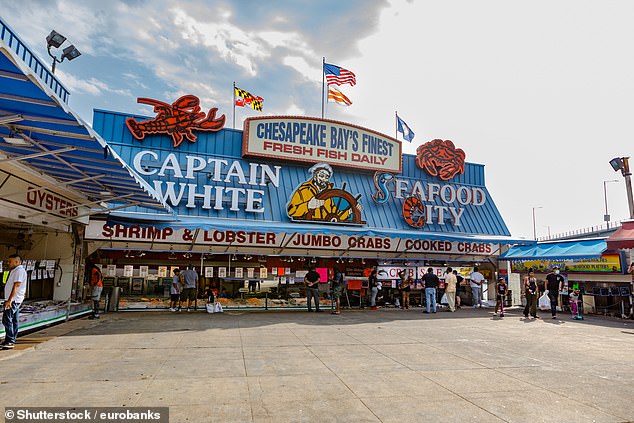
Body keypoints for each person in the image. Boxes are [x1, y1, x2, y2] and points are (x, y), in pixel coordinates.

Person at [287, 162, 362, 222]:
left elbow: (335, 215)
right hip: (308, 229)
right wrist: (308, 205)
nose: (324, 179)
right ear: (315, 175)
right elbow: (291, 211)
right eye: (321, 176)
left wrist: (350, 211)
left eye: (326, 177)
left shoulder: (329, 194)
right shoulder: (304, 190)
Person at [2, 254, 27, 350]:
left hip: (14, 300)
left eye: (10, 261)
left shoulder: (19, 271)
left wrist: (9, 300)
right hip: (15, 299)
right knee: (14, 320)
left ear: (17, 262)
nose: (8, 263)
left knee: (6, 319)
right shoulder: (15, 270)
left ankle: (10, 340)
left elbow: (16, 285)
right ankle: (10, 339)